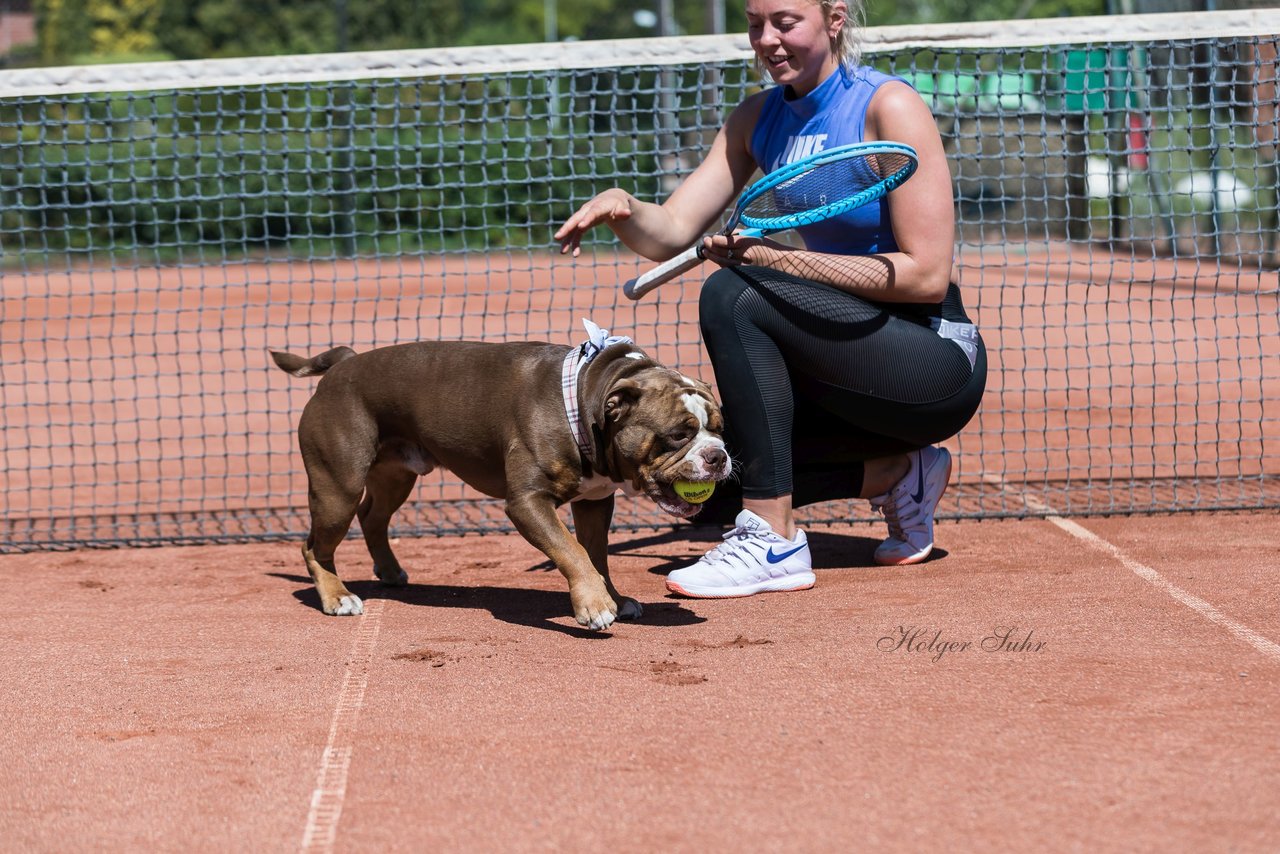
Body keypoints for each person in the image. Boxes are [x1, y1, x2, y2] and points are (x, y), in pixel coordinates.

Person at [554, 0, 986, 598]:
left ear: (835, 19)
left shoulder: (889, 105)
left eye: (786, 22)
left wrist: (773, 259)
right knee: (705, 482)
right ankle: (899, 473)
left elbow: (926, 275)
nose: (767, 39)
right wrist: (625, 208)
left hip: (932, 361)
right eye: (756, 24)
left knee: (733, 292)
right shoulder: (756, 117)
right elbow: (672, 230)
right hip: (843, 360)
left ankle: (773, 541)